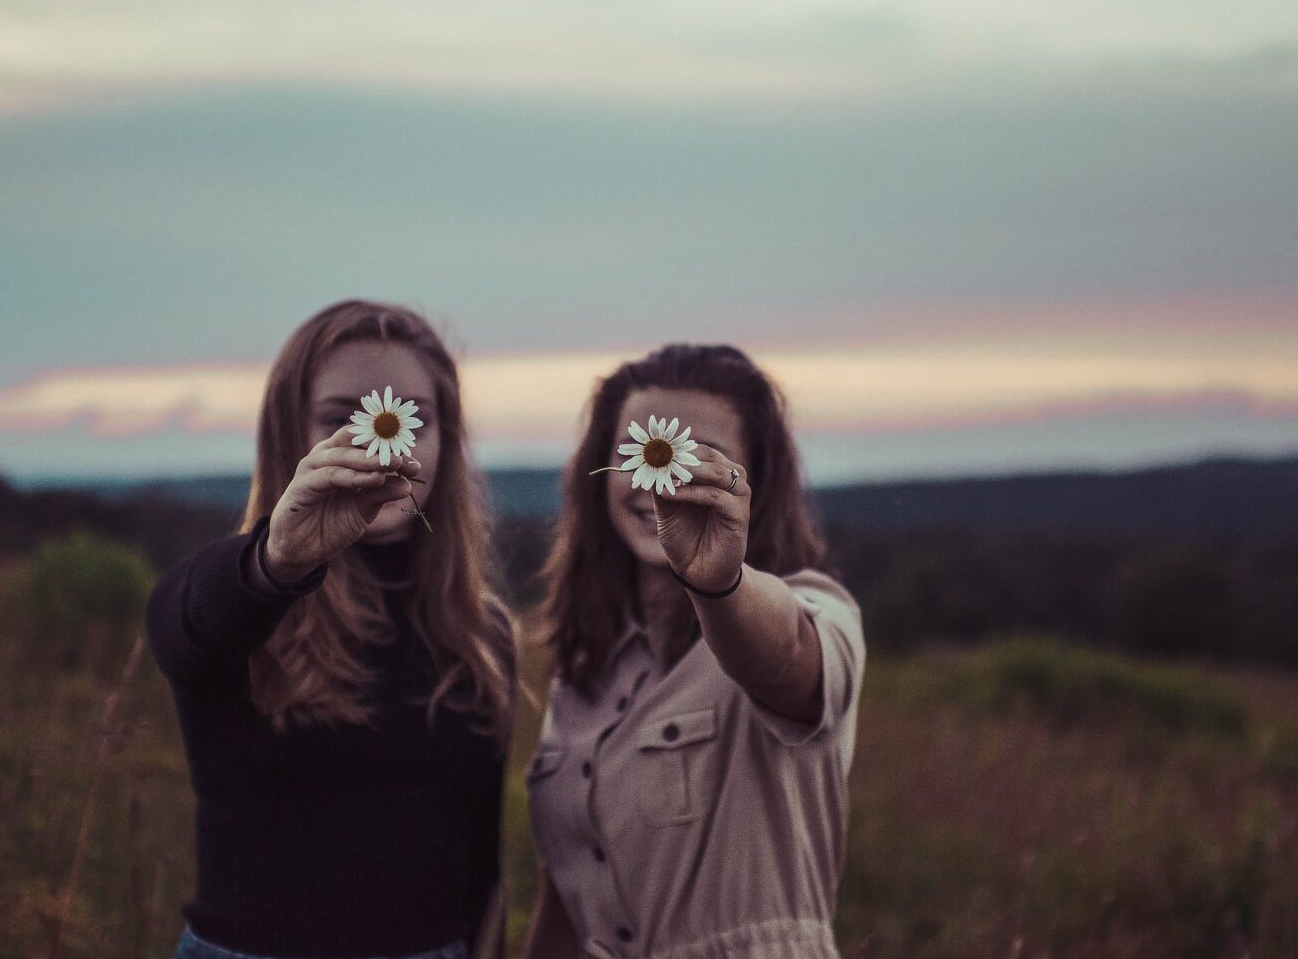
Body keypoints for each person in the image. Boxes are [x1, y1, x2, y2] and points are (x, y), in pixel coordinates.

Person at [146, 300, 514, 959]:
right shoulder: (243, 597)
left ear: (446, 440)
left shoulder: (481, 632)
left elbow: (482, 866)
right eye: (342, 417)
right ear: (288, 433)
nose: (381, 439)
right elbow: (182, 625)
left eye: (414, 418)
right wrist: (277, 560)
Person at [521, 344, 865, 959]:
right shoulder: (584, 669)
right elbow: (570, 903)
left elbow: (784, 656)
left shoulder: (815, 609)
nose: (665, 476)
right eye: (644, 449)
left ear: (757, 478)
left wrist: (718, 581)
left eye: (703, 455)